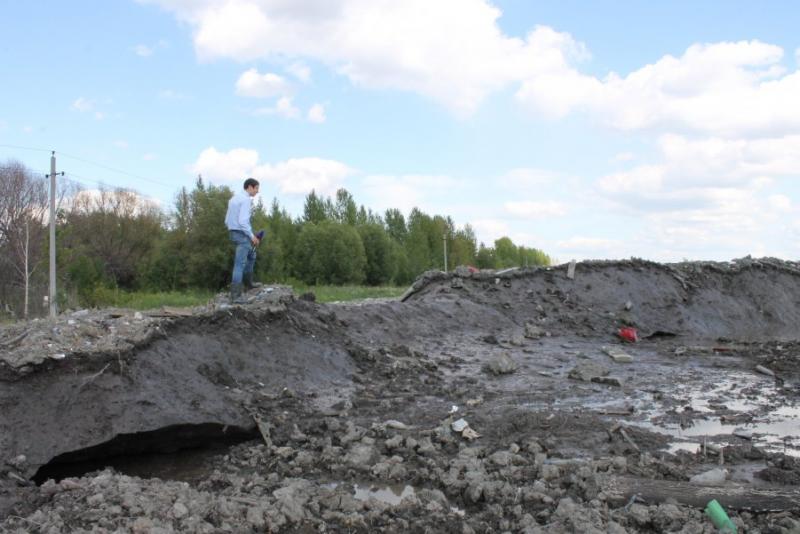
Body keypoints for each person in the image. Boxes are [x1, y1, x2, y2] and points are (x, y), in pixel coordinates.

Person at [225, 177, 261, 302]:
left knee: (252, 255)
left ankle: (249, 283)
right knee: (239, 264)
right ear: (249, 187)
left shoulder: (233, 199)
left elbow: (227, 219)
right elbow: (243, 221)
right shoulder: (246, 200)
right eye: (256, 188)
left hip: (233, 232)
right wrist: (252, 236)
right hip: (242, 234)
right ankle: (236, 296)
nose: (257, 191)